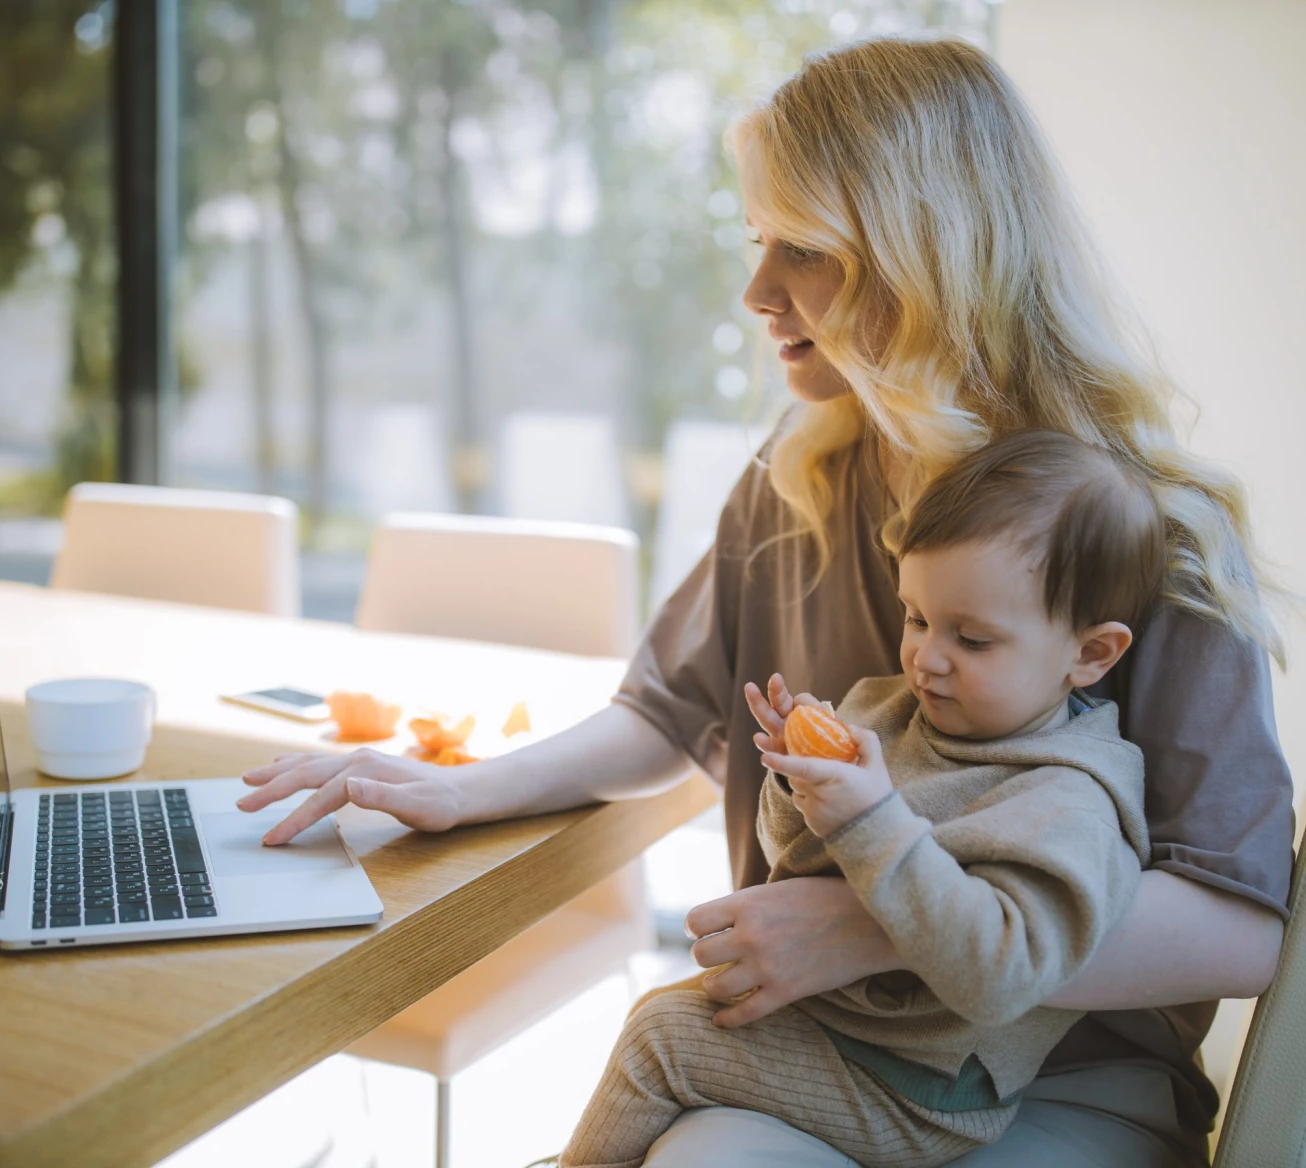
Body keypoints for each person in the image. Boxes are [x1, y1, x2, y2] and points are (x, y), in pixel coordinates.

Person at [237, 36, 1294, 1166]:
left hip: (1061, 1081)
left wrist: (874, 925)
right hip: (831, 1042)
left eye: (805, 249)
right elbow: (666, 711)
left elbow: (1236, 928)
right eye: (757, 242)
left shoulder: (1147, 533)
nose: (755, 292)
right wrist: (466, 787)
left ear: (925, 255)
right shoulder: (798, 475)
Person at [559, 430, 1161, 1168]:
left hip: (920, 1089)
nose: (925, 659)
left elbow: (1002, 975)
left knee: (660, 1042)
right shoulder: (893, 709)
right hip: (841, 1029)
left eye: (972, 640)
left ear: (1091, 654)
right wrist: (799, 781)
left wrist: (872, 821)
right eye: (916, 618)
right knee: (666, 1016)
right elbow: (799, 861)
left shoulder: (1070, 798)